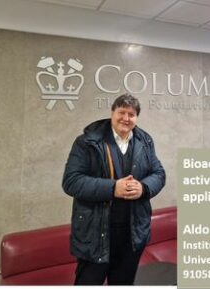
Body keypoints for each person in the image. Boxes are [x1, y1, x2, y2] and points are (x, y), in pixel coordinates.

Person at [62, 93, 166, 285]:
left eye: (131, 114)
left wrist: (143, 187)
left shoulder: (145, 141)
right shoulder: (87, 142)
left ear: (137, 118)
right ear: (112, 113)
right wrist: (112, 188)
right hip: (96, 234)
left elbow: (159, 173)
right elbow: (71, 181)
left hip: (132, 235)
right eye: (122, 112)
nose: (126, 118)